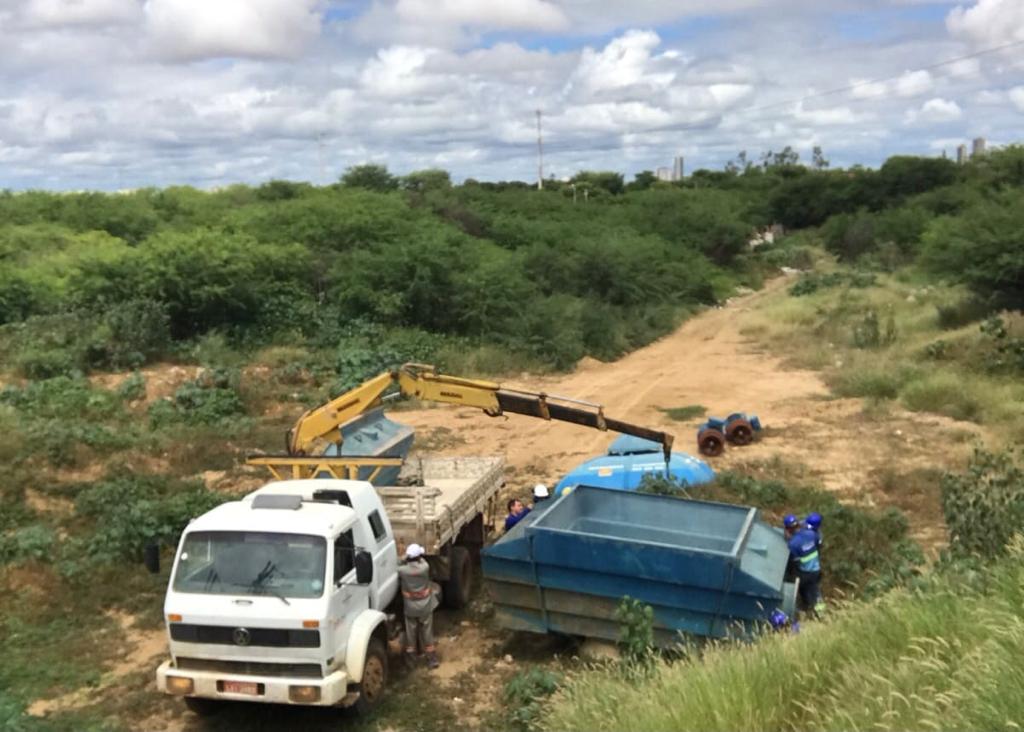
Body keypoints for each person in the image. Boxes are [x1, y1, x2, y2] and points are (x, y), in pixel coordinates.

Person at [397, 543, 440, 669]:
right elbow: (423, 560)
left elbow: (398, 564)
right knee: (427, 631)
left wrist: (405, 557)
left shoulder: (403, 571)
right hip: (425, 606)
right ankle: (431, 659)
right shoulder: (424, 568)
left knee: (411, 632)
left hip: (410, 607)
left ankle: (411, 661)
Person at [787, 523, 826, 618]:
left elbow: (794, 562)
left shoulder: (793, 543)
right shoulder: (811, 534)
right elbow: (818, 545)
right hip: (816, 569)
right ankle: (819, 612)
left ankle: (811, 611)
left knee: (806, 590)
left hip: (805, 573)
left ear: (788, 530)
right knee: (814, 590)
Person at [782, 514, 800, 582]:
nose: (796, 528)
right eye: (793, 526)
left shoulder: (798, 532)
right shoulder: (791, 538)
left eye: (796, 526)